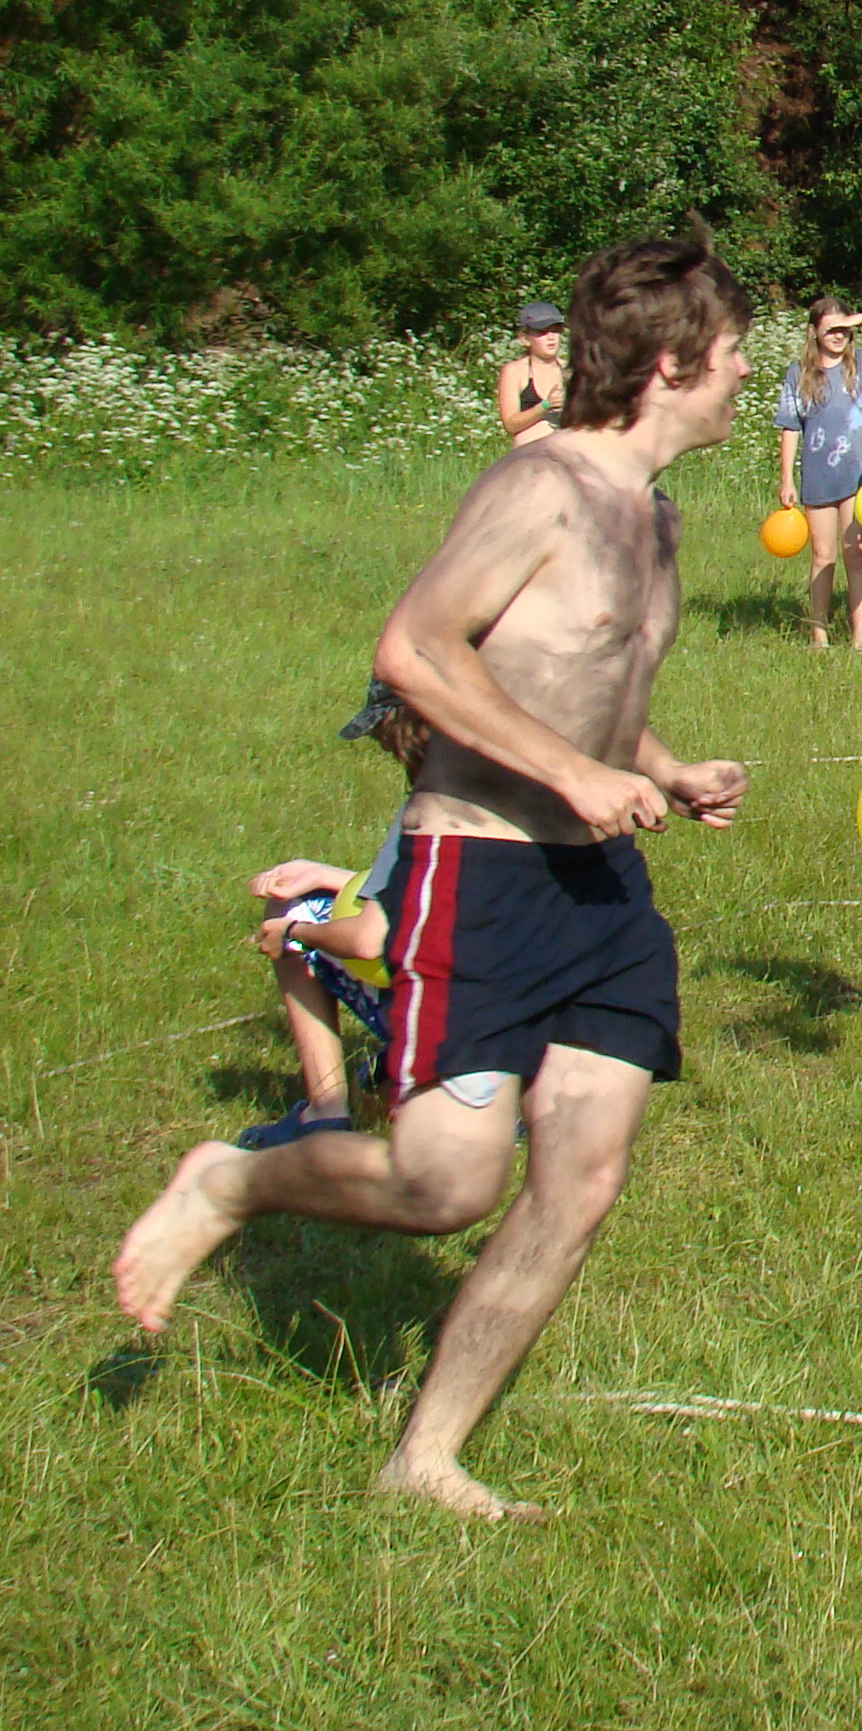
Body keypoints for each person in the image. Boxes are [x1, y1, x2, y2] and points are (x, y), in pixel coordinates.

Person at [114, 226, 754, 1523]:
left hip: (604, 893)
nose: (751, 372)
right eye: (738, 350)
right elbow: (414, 649)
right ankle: (229, 1181)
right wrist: (571, 775)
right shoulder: (542, 487)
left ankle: (428, 1458)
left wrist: (663, 767)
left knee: (581, 1181)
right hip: (484, 872)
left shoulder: (656, 514)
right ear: (677, 363)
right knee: (444, 1185)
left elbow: (583, 680)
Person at [232, 678, 434, 1150]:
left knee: (290, 905)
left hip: (451, 1021)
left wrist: (294, 930)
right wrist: (326, 874)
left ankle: (325, 1112)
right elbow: (428, 891)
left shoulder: (426, 810)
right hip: (528, 1029)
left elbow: (368, 939)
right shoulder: (517, 796)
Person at [774, 299, 862, 651]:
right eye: (830, 329)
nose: (838, 335)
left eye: (844, 329)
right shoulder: (798, 373)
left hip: (858, 478)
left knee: (856, 554)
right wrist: (786, 479)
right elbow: (790, 427)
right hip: (819, 477)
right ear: (813, 331)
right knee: (823, 556)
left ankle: (859, 640)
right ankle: (819, 634)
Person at [494, 303, 566, 449]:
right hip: (529, 456)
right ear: (525, 339)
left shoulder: (570, 371)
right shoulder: (515, 371)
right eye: (542, 332)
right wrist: (544, 406)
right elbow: (511, 424)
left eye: (556, 330)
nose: (551, 337)